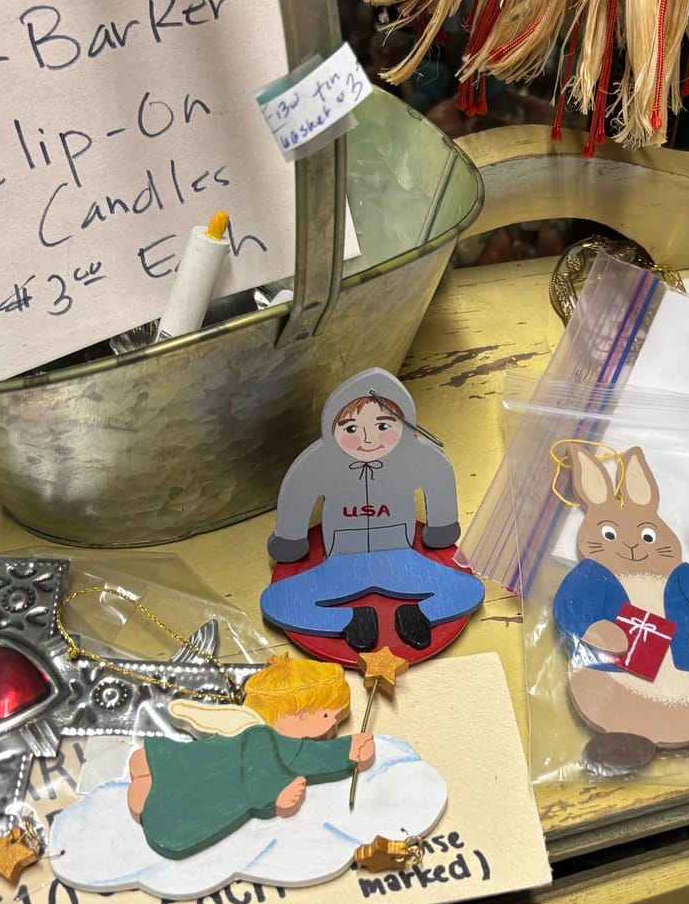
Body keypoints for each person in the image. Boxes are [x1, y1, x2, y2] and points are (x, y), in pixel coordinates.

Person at [262, 368, 485, 650]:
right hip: (340, 561)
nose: (368, 440)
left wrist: (441, 527)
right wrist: (291, 538)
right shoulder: (318, 462)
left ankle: (418, 615)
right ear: (332, 428)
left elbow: (438, 477)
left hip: (402, 557)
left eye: (383, 426)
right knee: (276, 601)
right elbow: (297, 492)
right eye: (351, 429)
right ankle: (350, 621)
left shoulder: (420, 457)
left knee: (470, 589)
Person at [127, 655, 373, 860]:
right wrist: (278, 795)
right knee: (201, 796)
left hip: (211, 766)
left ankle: (157, 766)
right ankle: (158, 775)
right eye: (325, 715)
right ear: (295, 712)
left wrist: (349, 748)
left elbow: (307, 756)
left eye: (334, 716)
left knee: (196, 775)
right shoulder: (261, 737)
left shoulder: (278, 741)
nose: (332, 724)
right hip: (224, 775)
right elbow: (266, 772)